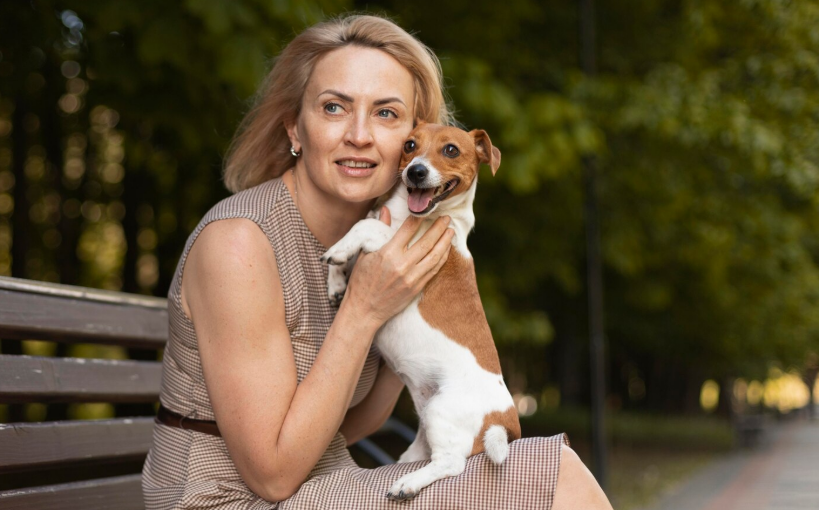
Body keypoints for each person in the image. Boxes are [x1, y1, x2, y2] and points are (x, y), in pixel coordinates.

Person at [142, 13, 613, 510]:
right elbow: (272, 477)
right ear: (294, 128)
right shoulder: (239, 245)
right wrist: (365, 307)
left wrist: (409, 309)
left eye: (386, 114)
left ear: (411, 140)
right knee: (556, 477)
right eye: (334, 107)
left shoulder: (375, 238)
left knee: (531, 471)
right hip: (224, 497)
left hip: (327, 481)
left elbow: (357, 422)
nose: (360, 134)